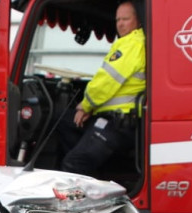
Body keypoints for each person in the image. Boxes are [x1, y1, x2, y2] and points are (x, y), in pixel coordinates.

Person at [59, 1, 146, 176]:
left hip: (119, 122)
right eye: (118, 20)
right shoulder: (134, 42)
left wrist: (86, 105)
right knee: (65, 122)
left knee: (75, 163)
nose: (120, 24)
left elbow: (107, 81)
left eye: (126, 19)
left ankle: (78, 200)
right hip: (119, 120)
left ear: (138, 21)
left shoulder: (132, 44)